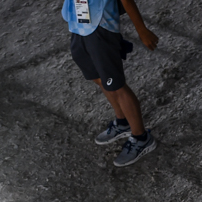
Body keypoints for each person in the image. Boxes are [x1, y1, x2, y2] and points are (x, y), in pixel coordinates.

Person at [62, 0, 159, 167]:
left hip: (100, 26)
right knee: (97, 77)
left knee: (116, 85)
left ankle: (141, 138)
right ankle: (123, 123)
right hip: (78, 21)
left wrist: (142, 30)